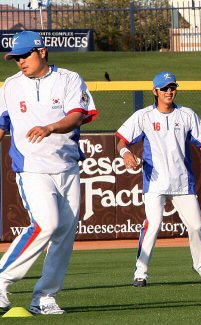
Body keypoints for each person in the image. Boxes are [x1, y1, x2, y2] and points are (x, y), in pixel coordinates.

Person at [0, 31, 98, 315]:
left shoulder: (69, 78)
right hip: (31, 166)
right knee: (46, 224)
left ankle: (45, 297)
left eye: (25, 55)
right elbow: (3, 124)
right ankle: (3, 280)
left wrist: (51, 127)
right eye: (15, 57)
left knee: (65, 234)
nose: (20, 61)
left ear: (42, 51)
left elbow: (78, 115)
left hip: (67, 166)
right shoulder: (10, 85)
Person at [115, 72, 201, 287]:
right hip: (155, 181)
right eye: (164, 88)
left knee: (196, 226)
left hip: (183, 181)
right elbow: (120, 140)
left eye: (172, 87)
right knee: (153, 225)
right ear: (155, 91)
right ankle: (141, 273)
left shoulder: (187, 114)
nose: (169, 91)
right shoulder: (143, 116)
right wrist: (126, 154)